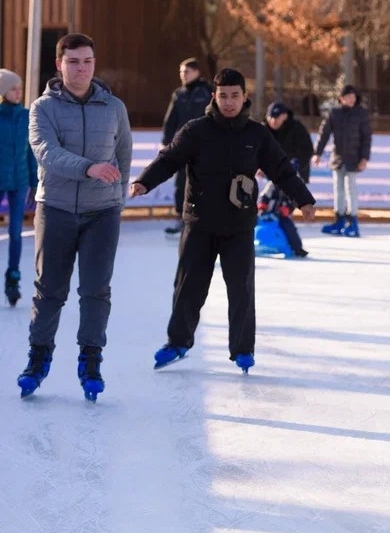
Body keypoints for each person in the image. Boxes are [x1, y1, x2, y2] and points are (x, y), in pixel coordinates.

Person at [131, 68, 316, 373]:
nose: (229, 102)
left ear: (245, 97)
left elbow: (281, 169)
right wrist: (144, 182)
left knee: (241, 289)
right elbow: (169, 159)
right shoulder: (196, 130)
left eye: (234, 96)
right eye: (223, 96)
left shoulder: (257, 134)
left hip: (238, 226)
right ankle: (178, 342)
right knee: (188, 286)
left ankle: (243, 349)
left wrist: (304, 199)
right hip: (199, 223)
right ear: (214, 97)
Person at [16, 33, 133, 402]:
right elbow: (46, 153)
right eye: (73, 62)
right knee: (49, 289)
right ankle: (38, 359)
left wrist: (117, 197)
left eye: (87, 61)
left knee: (96, 290)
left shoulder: (114, 107)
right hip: (57, 209)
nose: (81, 68)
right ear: (59, 64)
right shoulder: (42, 108)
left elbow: (124, 154)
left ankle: (91, 360)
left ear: (94, 64)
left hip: (103, 212)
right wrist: (89, 168)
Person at [161, 58, 213, 234]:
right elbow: (171, 119)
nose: (183, 75)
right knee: (182, 181)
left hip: (205, 144)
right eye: (181, 72)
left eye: (187, 71)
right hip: (184, 144)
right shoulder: (179, 94)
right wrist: (167, 141)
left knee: (205, 180)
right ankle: (181, 218)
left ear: (196, 72)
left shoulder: (207, 92)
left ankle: (205, 217)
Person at [0, 69, 37, 306]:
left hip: (20, 181)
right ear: (3, 91)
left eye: (20, 88)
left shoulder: (27, 116)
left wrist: (35, 182)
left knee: (15, 232)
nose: (18, 92)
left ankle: (13, 279)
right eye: (14, 88)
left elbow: (32, 153)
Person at [314, 84, 371, 237]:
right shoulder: (334, 113)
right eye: (348, 97)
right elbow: (324, 133)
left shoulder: (361, 114)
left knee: (350, 188)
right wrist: (317, 153)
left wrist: (364, 158)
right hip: (338, 157)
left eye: (353, 97)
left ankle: (352, 221)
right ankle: (339, 219)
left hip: (354, 158)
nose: (351, 100)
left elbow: (367, 137)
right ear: (341, 99)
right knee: (338, 188)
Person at [257, 160, 308, 258]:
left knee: (289, 227)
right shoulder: (273, 184)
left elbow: (293, 203)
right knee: (252, 222)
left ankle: (297, 248)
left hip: (281, 215)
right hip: (266, 212)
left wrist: (283, 211)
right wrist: (262, 208)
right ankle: (246, 245)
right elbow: (264, 196)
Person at [265, 101, 314, 183]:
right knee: (269, 195)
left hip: (296, 173)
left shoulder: (296, 127)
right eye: (270, 117)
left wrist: (297, 163)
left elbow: (307, 149)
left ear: (285, 116)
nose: (273, 121)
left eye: (277, 117)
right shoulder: (264, 130)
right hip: (273, 172)